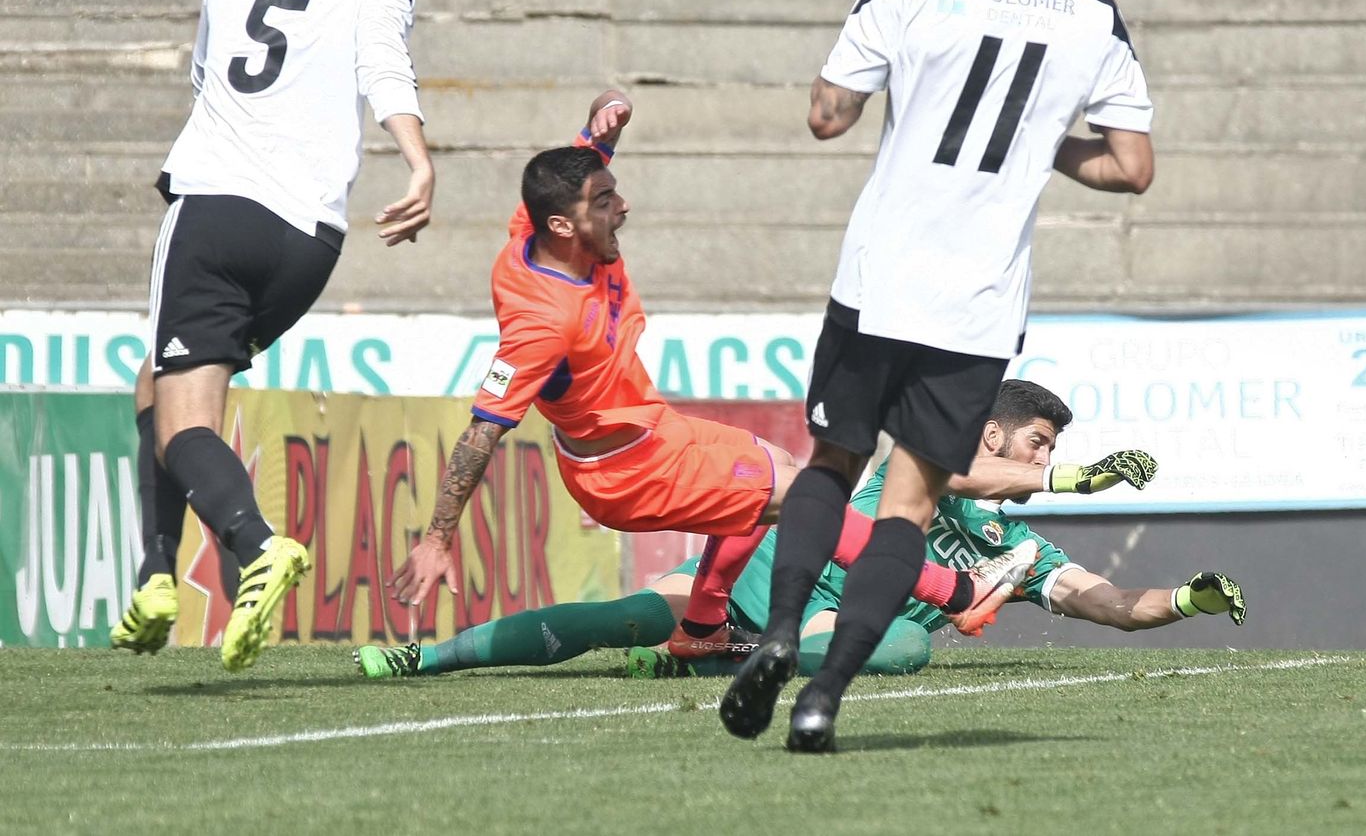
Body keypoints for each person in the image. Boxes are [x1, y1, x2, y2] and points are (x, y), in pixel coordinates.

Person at [722, 0, 1157, 752]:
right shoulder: (1093, 16)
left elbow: (829, 116)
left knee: (832, 466)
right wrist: (1043, 143)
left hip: (879, 279)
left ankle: (782, 632)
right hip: (977, 307)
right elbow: (1131, 167)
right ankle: (825, 694)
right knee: (911, 505)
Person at [388, 98, 1045, 659]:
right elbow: (481, 434)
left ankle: (702, 627)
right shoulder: (542, 323)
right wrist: (438, 539)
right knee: (801, 495)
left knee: (776, 464)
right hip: (625, 471)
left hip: (657, 432)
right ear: (563, 225)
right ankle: (955, 591)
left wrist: (600, 128)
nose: (623, 206)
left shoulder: (541, 228)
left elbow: (572, 172)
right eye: (606, 202)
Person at [109, 0, 436, 672]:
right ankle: (157, 576)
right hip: (307, 242)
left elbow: (206, 77)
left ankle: (254, 546)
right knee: (162, 383)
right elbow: (386, 76)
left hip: (218, 209)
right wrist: (419, 163)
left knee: (182, 418)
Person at [352, 380, 1241, 681]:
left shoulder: (1025, 552)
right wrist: (1073, 477)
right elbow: (963, 473)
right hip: (769, 574)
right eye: (1039, 443)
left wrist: (1186, 600)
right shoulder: (928, 462)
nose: (1046, 459)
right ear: (995, 434)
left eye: (1054, 452)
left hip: (824, 621)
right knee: (614, 617)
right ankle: (424, 658)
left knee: (903, 647)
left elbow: (1107, 602)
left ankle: (725, 658)